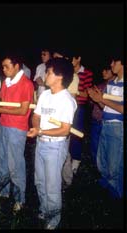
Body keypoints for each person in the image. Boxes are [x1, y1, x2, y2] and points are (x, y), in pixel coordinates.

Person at [27, 57, 76, 230]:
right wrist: (36, 128)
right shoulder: (45, 95)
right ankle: (44, 209)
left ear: (59, 76)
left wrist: (40, 131)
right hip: (41, 143)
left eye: (48, 72)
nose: (45, 75)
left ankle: (54, 220)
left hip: (55, 147)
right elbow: (36, 116)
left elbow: (64, 129)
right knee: (39, 180)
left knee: (52, 185)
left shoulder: (67, 101)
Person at [0, 54, 34, 214]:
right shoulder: (6, 83)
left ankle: (20, 200)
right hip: (4, 126)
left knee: (16, 164)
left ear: (16, 66)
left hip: (17, 129)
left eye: (7, 66)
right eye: (3, 66)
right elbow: (0, 102)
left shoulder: (26, 84)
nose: (4, 69)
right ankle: (2, 192)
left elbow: (23, 109)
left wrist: (0, 109)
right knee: (2, 160)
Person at [87, 55, 124, 199]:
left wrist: (102, 99)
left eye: (115, 61)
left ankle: (116, 197)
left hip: (117, 127)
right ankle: (108, 191)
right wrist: (98, 99)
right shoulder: (112, 83)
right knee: (103, 160)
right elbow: (106, 107)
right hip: (105, 123)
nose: (111, 64)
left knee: (115, 165)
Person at [63, 53, 93, 187]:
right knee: (65, 133)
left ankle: (76, 161)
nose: (70, 61)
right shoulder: (66, 71)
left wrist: (73, 92)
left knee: (75, 133)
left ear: (79, 58)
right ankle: (67, 163)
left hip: (79, 106)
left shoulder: (86, 73)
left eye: (72, 59)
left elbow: (86, 94)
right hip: (66, 105)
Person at [89, 65, 115, 165]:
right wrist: (91, 96)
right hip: (95, 120)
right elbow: (91, 104)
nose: (103, 72)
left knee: (107, 149)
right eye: (103, 70)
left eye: (106, 70)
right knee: (94, 147)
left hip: (107, 123)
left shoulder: (115, 88)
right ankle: (97, 170)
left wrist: (99, 99)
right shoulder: (99, 86)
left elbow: (109, 108)